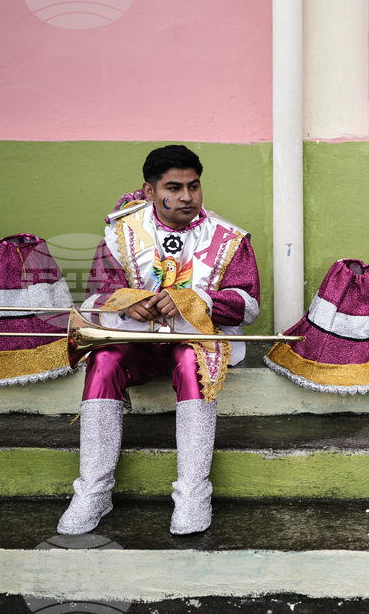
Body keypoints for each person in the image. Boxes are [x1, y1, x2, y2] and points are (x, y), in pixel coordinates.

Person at [57, 145, 260, 536]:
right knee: (104, 361)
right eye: (174, 187)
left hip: (194, 347)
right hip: (138, 345)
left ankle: (193, 495)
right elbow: (97, 295)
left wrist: (195, 300)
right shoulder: (121, 232)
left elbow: (248, 306)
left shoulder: (230, 238)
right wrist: (128, 302)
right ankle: (93, 494)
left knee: (189, 362)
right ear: (149, 192)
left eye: (194, 186)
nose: (187, 197)